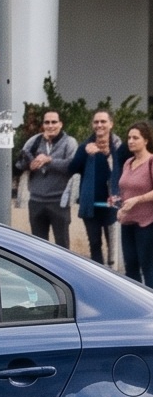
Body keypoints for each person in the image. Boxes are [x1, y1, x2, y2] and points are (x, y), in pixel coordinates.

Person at [15, 108, 79, 245]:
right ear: (43, 124)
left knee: (62, 245)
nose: (50, 126)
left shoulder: (69, 142)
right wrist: (29, 165)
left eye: (54, 122)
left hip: (59, 201)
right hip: (36, 200)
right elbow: (19, 164)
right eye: (47, 122)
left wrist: (49, 160)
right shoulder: (34, 141)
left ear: (60, 124)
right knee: (38, 245)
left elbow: (72, 166)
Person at [74, 109, 121, 266]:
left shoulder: (120, 147)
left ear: (111, 124)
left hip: (112, 204)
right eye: (96, 122)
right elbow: (73, 169)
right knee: (94, 244)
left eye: (103, 121)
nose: (99, 125)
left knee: (113, 246)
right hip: (91, 204)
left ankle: (114, 274)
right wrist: (84, 153)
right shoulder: (84, 146)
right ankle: (97, 274)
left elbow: (121, 172)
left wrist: (108, 155)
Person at [115, 124, 153, 285]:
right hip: (128, 221)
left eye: (135, 138)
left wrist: (137, 199)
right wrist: (119, 204)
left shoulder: (151, 161)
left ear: (146, 140)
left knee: (148, 267)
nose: (131, 141)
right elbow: (126, 189)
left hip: (147, 222)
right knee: (130, 266)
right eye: (129, 138)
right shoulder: (128, 162)